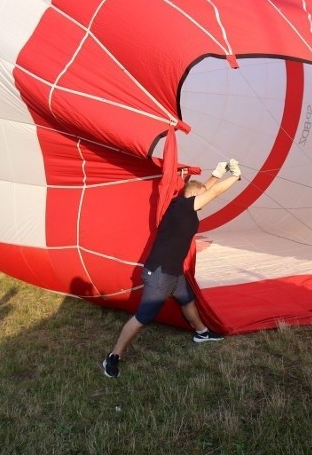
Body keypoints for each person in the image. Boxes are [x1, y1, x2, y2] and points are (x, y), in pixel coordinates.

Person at [102, 158, 243, 378]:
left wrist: (216, 174)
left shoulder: (184, 203)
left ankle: (202, 333)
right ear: (193, 197)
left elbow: (203, 189)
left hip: (173, 271)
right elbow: (211, 194)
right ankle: (113, 356)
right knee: (143, 317)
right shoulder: (183, 208)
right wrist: (234, 176)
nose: (204, 201)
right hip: (160, 273)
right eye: (200, 197)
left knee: (186, 300)